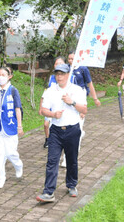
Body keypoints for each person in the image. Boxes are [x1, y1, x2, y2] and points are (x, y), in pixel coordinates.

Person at [36, 63, 87, 203]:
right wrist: (53, 114)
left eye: (62, 74)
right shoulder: (50, 91)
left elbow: (84, 110)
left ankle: (71, 185)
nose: (59, 77)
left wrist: (72, 102)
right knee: (52, 161)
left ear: (68, 75)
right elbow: (44, 110)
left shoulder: (77, 90)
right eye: (57, 74)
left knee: (72, 160)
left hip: (72, 129)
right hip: (56, 131)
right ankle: (48, 192)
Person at [41, 57, 74, 149]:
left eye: (60, 64)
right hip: (51, 106)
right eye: (56, 64)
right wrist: (41, 106)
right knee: (46, 124)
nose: (58, 65)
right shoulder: (51, 78)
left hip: (64, 106)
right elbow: (45, 92)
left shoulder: (70, 78)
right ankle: (48, 139)